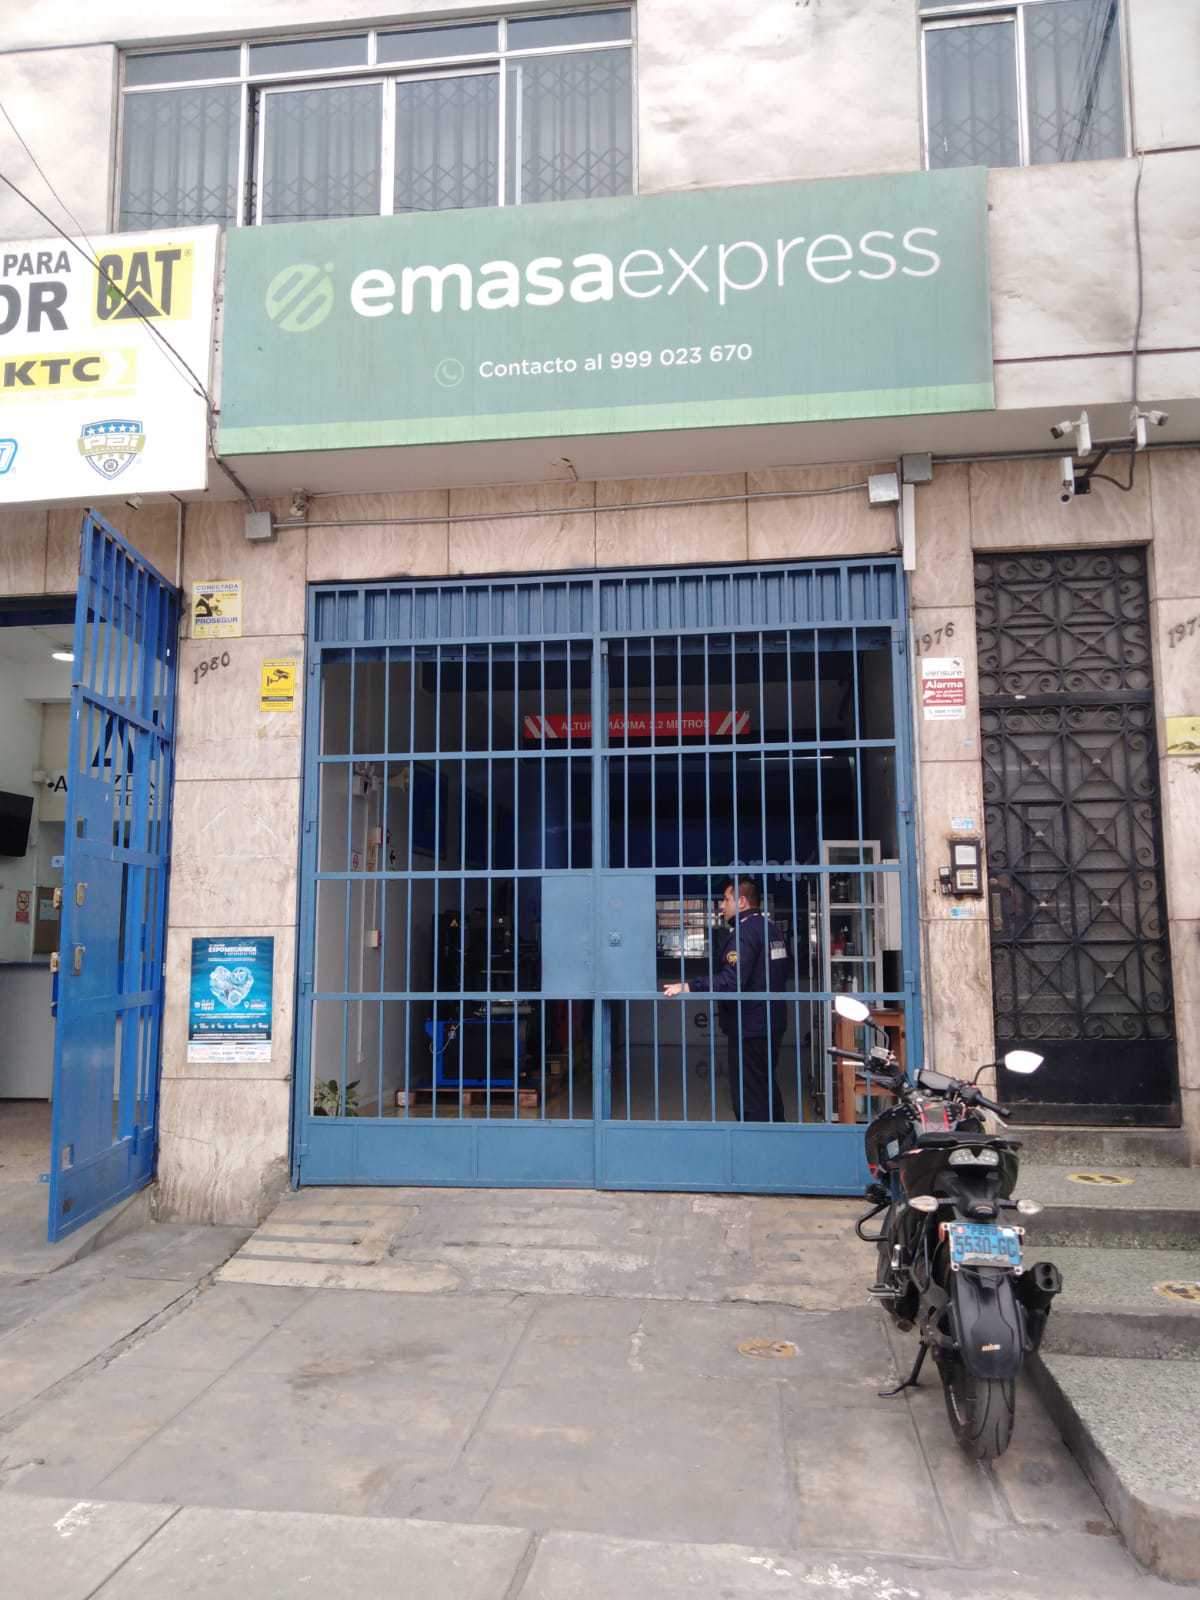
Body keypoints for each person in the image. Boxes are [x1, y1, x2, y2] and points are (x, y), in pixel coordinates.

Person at [663, 877, 789, 1122]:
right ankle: (776, 1134)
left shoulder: (745, 932)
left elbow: (732, 980)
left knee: (750, 1095)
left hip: (750, 1025)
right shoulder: (770, 928)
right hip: (772, 1021)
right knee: (765, 1085)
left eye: (726, 899)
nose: (722, 905)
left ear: (741, 901)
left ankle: (755, 1139)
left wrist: (690, 986)